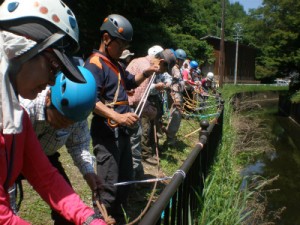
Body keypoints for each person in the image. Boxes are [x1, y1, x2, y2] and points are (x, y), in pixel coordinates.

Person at [0, 0, 106, 224]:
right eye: (52, 67)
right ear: (22, 48)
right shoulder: (21, 114)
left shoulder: (16, 119)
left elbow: (45, 177)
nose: (51, 80)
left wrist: (89, 219)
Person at [83, 14, 160, 223]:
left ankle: (117, 218)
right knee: (108, 184)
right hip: (107, 133)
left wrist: (147, 72)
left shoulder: (115, 64)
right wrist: (117, 116)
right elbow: (91, 100)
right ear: (107, 38)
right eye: (121, 43)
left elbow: (131, 82)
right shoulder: (94, 63)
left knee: (124, 181)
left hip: (123, 131)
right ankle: (101, 218)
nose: (124, 48)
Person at [15, 66, 103, 225]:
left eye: (70, 123)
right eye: (61, 120)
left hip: (46, 158)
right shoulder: (25, 110)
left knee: (66, 213)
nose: (64, 127)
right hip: (12, 157)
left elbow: (78, 145)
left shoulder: (76, 115)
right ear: (49, 99)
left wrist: (88, 171)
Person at [164, 48, 187, 146]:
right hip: (175, 94)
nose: (182, 62)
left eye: (183, 60)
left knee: (174, 115)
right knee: (176, 115)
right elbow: (171, 82)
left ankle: (170, 135)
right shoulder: (173, 68)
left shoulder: (178, 69)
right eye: (180, 60)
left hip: (177, 93)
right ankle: (170, 138)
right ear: (176, 59)